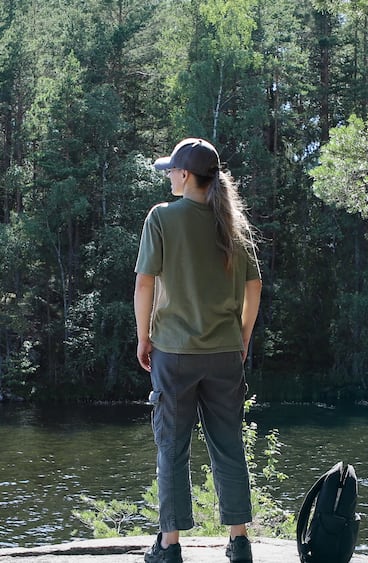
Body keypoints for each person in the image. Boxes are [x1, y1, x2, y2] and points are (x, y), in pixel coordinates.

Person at [134, 138, 263, 563]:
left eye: (171, 169)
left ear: (185, 175)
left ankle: (169, 546)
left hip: (173, 354)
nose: (168, 176)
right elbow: (254, 286)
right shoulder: (233, 224)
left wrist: (143, 337)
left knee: (172, 447)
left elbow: (144, 284)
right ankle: (239, 541)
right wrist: (242, 337)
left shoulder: (161, 219)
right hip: (225, 354)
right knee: (228, 444)